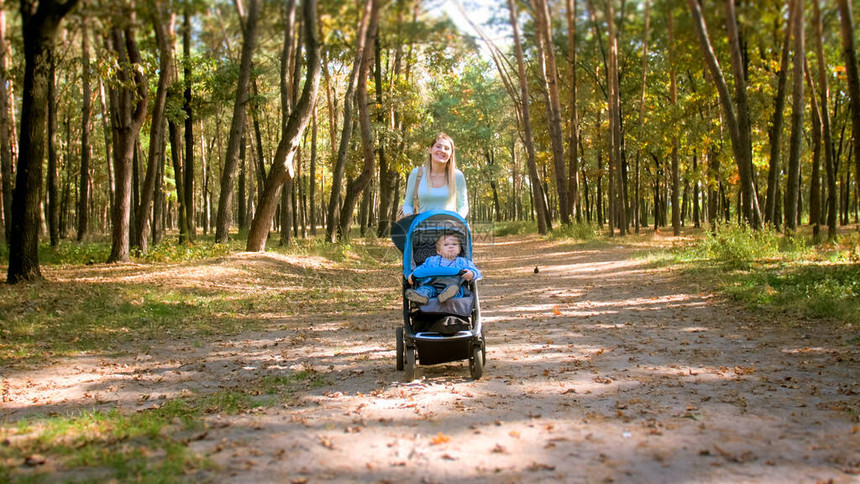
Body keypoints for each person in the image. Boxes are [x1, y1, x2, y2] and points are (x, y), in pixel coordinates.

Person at [392, 133, 469, 252]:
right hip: (421, 233)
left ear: (451, 154)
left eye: (447, 148)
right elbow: (407, 204)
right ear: (430, 149)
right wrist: (412, 221)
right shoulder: (417, 173)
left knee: (448, 269)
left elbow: (463, 205)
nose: (442, 150)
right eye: (438, 146)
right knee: (422, 269)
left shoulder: (457, 176)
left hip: (448, 235)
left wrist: (457, 221)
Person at [405, 234, 482, 304]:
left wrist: (472, 273)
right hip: (432, 285)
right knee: (425, 289)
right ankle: (421, 296)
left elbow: (476, 271)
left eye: (454, 244)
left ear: (459, 249)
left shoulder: (463, 262)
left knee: (454, 290)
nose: (451, 246)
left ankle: (446, 297)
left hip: (452, 287)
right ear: (439, 251)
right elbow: (422, 268)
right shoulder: (431, 260)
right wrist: (413, 274)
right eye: (446, 245)